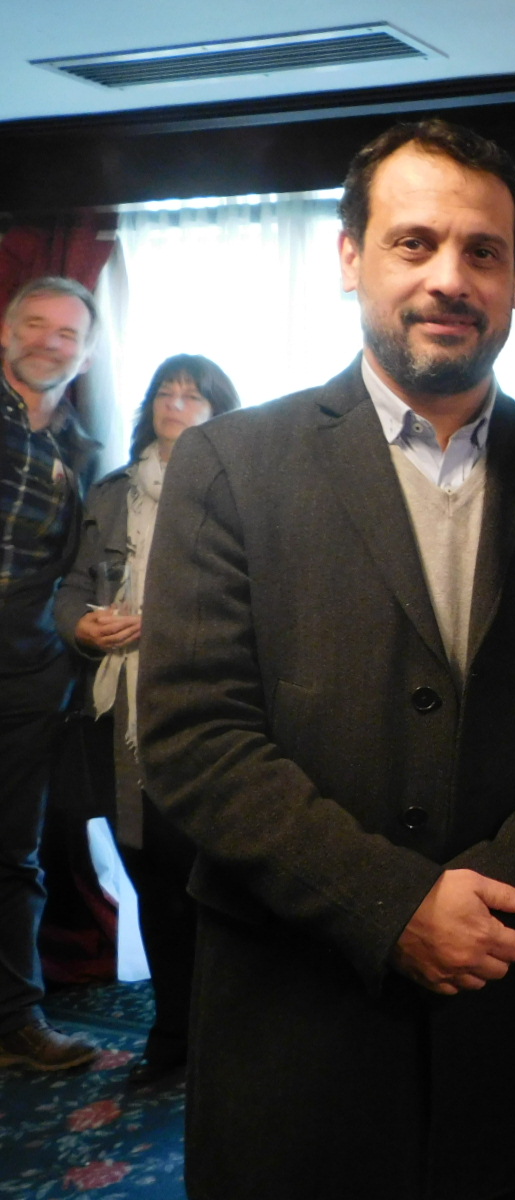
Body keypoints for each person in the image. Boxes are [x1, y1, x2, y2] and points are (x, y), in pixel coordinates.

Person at [137, 119, 515, 1200]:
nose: (448, 278)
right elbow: (195, 738)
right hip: (297, 1024)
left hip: (505, 1014)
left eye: (483, 251)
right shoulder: (233, 466)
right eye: (413, 243)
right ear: (349, 258)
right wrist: (396, 907)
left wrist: (489, 899)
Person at [54, 354, 241, 1087]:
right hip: (117, 713)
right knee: (150, 878)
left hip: (206, 710)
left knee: (213, 881)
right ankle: (172, 1032)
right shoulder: (110, 491)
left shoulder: (239, 492)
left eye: (194, 394)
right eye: (167, 391)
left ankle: (225, 1037)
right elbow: (70, 588)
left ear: (219, 411)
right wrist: (83, 627)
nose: (177, 402)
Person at [0, 276, 100, 1072]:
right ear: (6, 331)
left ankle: (15, 1026)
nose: (49, 342)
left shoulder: (84, 451)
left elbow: (72, 575)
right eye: (36, 324)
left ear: (87, 352)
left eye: (68, 333)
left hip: (30, 678)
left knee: (13, 855)